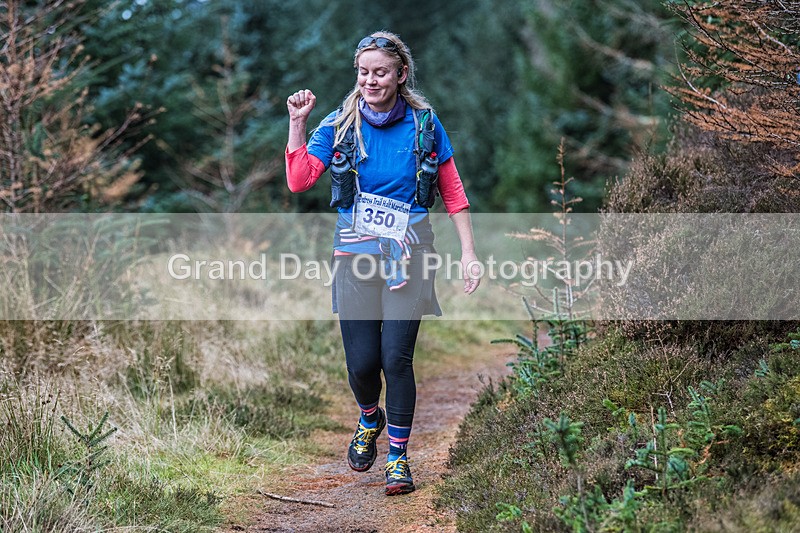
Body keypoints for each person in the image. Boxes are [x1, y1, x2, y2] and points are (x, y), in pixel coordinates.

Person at [285, 30, 479, 496]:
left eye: (381, 72)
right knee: (362, 364)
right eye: (364, 72)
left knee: (396, 357)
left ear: (401, 74)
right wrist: (297, 122)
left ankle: (397, 458)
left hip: (411, 253)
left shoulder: (425, 124)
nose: (370, 80)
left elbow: (453, 193)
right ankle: (370, 417)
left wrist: (469, 253)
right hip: (354, 256)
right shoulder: (339, 124)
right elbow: (298, 180)